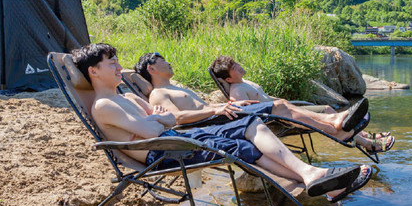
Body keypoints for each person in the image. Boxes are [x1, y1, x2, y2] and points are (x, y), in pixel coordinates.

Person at [72, 43, 371, 202]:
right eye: (112, 63)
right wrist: (160, 120)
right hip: (166, 152)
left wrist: (161, 120)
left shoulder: (128, 99)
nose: (119, 67)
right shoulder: (105, 105)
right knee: (242, 145)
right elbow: (154, 128)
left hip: (175, 138)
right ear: (94, 72)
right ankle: (317, 179)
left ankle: (314, 178)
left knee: (251, 125)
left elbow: (165, 119)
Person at [136, 53, 369, 143]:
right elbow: (176, 118)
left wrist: (226, 105)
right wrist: (215, 110)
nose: (169, 61)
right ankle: (334, 127)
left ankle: (334, 124)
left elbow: (205, 107)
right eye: (162, 60)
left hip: (222, 115)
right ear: (151, 68)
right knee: (278, 106)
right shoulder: (159, 93)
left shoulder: (177, 88)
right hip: (211, 125)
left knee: (281, 104)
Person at [210, 55, 395, 153]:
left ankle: (359, 133)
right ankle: (367, 143)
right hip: (279, 119)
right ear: (228, 78)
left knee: (327, 108)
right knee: (331, 121)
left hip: (286, 108)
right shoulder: (237, 91)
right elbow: (238, 107)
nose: (239, 66)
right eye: (234, 68)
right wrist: (236, 103)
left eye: (236, 63)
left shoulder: (245, 82)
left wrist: (287, 103)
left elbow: (266, 98)